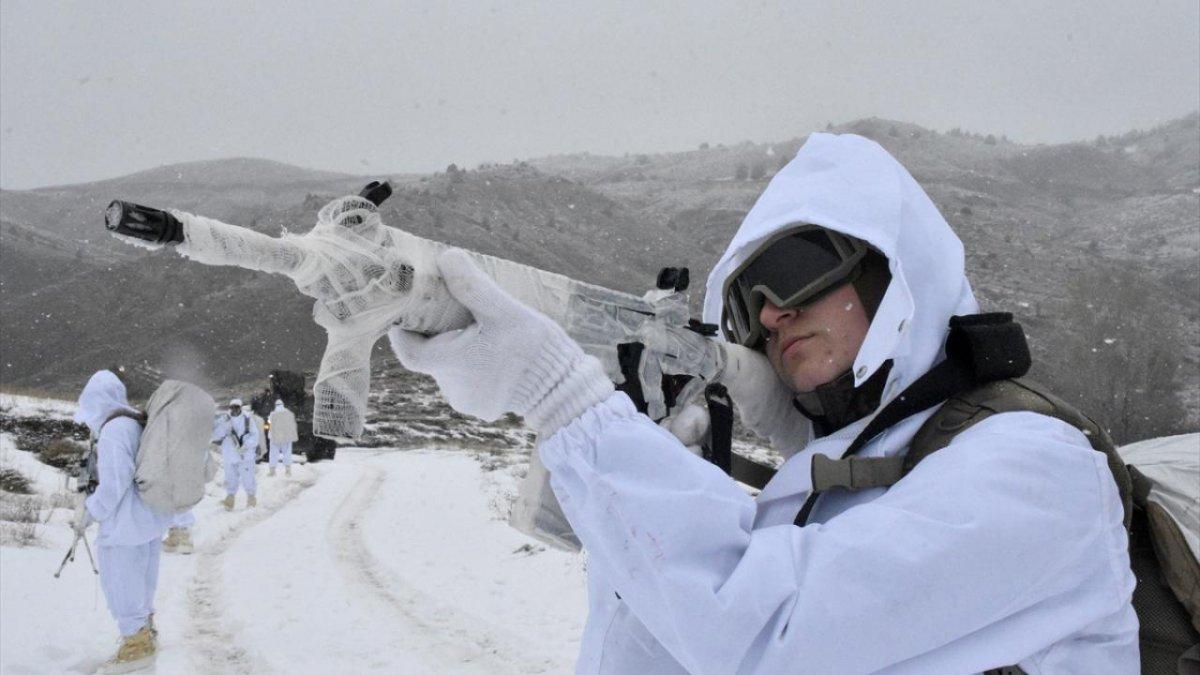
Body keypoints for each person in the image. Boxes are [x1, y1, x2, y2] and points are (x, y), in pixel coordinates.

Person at [390, 133, 1137, 672]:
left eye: (795, 271)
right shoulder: (835, 480)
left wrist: (561, 398)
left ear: (892, 272)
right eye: (747, 305)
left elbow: (766, 636)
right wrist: (663, 470)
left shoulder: (1036, 470)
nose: (773, 315)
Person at [72, 370, 172, 673]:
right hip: (147, 520)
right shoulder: (135, 422)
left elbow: (114, 483)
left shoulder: (114, 430)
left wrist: (89, 512)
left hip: (124, 525)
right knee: (141, 583)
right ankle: (144, 633)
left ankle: (136, 646)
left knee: (121, 583)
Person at [212, 398, 258, 510]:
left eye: (237, 407)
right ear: (230, 408)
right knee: (230, 478)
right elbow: (216, 435)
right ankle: (230, 500)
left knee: (248, 478)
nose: (235, 409)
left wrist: (246, 445)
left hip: (245, 455)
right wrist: (223, 429)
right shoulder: (224, 420)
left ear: (240, 407)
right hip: (229, 454)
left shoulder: (248, 419)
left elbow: (255, 436)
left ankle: (251, 499)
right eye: (232, 407)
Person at [267, 399, 298, 477]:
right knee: (287, 454)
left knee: (273, 454)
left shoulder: (272, 414)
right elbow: (293, 425)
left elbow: (269, 425)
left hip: (275, 438)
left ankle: (272, 471)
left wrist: (270, 435)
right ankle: (288, 471)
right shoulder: (289, 413)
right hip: (286, 438)